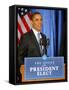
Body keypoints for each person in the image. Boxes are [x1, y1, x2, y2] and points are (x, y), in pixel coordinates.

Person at [17, 12, 47, 82]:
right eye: (37, 20)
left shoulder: (44, 36)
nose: (40, 22)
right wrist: (24, 70)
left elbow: (44, 55)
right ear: (31, 22)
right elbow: (19, 57)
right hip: (29, 75)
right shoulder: (25, 37)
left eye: (41, 19)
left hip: (42, 74)